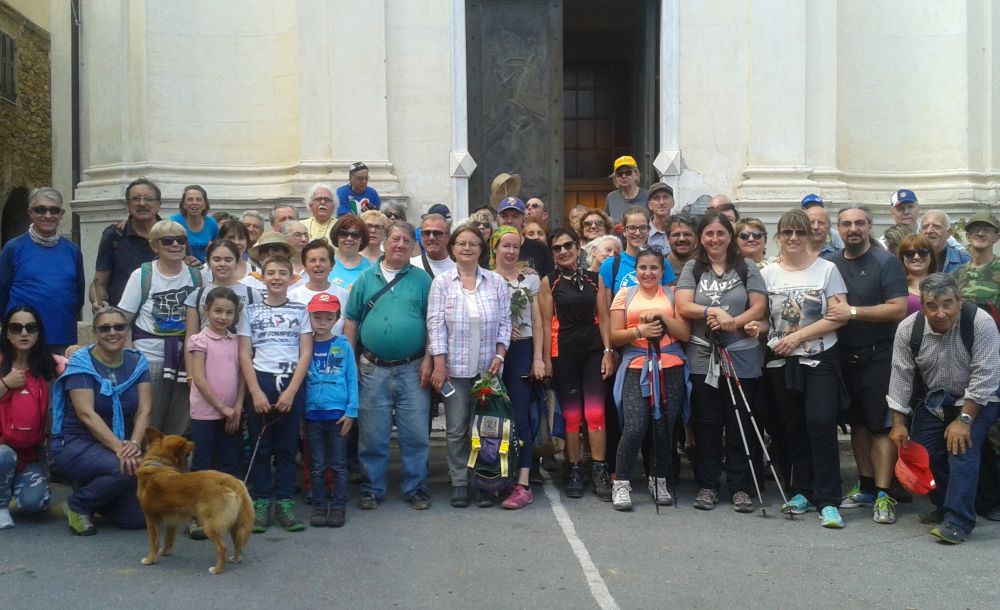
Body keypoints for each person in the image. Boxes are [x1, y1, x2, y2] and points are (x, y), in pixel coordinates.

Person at [887, 273, 1000, 543]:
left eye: (948, 303)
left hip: (979, 399)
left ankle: (959, 521)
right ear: (922, 305)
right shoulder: (907, 329)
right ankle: (946, 505)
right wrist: (899, 422)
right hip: (935, 401)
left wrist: (964, 420)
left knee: (961, 449)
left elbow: (985, 377)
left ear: (959, 301)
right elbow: (900, 376)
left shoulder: (980, 323)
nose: (941, 313)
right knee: (924, 454)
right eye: (932, 306)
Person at [761, 209, 848, 528]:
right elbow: (763, 317)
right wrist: (749, 327)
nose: (793, 238)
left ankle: (829, 500)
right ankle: (803, 491)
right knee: (792, 426)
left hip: (820, 358)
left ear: (809, 235)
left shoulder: (827, 270)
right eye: (787, 232)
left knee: (821, 422)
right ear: (779, 237)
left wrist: (797, 337)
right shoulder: (768, 273)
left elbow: (840, 315)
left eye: (799, 232)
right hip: (781, 361)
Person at [675, 212, 767, 512]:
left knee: (739, 421)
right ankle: (708, 484)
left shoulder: (746, 266)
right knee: (708, 422)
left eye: (721, 233)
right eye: (709, 234)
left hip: (742, 354)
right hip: (703, 356)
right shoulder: (693, 267)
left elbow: (759, 306)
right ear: (701, 238)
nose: (715, 239)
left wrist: (734, 321)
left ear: (730, 236)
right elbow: (684, 304)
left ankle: (740, 486)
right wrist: (711, 314)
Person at [825, 205, 909, 524]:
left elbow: (897, 308)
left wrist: (854, 313)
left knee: (880, 426)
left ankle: (885, 495)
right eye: (846, 224)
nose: (853, 229)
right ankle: (866, 486)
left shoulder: (885, 262)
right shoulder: (830, 263)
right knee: (857, 425)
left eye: (859, 223)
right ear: (839, 229)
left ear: (870, 227)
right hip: (844, 356)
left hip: (879, 356)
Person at [344, 222, 433, 511]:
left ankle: (415, 487)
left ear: (412, 246)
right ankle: (372, 488)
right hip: (372, 367)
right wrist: (349, 362)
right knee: (372, 434)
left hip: (413, 367)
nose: (400, 244)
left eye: (406, 240)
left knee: (416, 433)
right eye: (395, 238)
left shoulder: (422, 280)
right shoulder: (365, 279)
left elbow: (433, 325)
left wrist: (430, 361)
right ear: (384, 242)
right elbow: (351, 321)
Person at [428, 224, 511, 507]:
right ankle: (460, 482)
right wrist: (439, 365)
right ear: (452, 248)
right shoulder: (442, 283)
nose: (466, 248)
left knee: (488, 429)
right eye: (461, 243)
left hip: (488, 370)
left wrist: (500, 356)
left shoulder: (496, 282)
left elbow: (505, 323)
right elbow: (435, 325)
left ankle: (486, 482)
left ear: (481, 249)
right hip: (455, 370)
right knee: (456, 428)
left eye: (473, 243)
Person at [51, 307, 151, 535]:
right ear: (95, 333)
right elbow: (87, 414)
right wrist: (120, 449)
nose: (112, 332)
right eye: (105, 328)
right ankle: (78, 504)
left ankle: (94, 488)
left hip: (121, 443)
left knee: (136, 519)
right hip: (77, 442)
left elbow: (145, 410)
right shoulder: (81, 363)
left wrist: (134, 445)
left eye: (119, 326)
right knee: (125, 471)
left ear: (127, 331)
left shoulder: (137, 362)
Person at [609, 247, 691, 510]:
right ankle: (621, 483)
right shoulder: (625, 294)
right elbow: (613, 335)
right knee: (635, 425)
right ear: (636, 271)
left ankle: (659, 478)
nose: (648, 273)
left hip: (670, 364)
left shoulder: (673, 294)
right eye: (643, 268)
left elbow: (684, 334)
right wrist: (640, 331)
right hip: (637, 364)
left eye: (654, 268)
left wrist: (663, 317)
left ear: (662, 270)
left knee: (664, 426)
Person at [238, 255, 313, 533]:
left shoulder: (300, 309)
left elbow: (305, 352)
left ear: (292, 278)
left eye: (283, 272)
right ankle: (259, 502)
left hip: (291, 383)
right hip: (262, 381)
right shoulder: (250, 311)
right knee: (260, 446)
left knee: (286, 446)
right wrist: (255, 391)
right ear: (263, 277)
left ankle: (284, 501)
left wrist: (293, 390)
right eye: (271, 273)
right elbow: (245, 354)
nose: (277, 278)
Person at [539, 228, 613, 500]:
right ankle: (573, 469)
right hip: (564, 354)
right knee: (571, 415)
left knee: (595, 413)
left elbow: (604, 317)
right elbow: (546, 323)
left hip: (593, 351)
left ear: (579, 247)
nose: (563, 251)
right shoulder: (550, 281)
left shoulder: (596, 279)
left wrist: (608, 351)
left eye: (568, 245)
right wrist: (546, 360)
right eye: (557, 248)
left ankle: (599, 470)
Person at [118, 220, 202, 437]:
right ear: (155, 246)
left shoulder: (199, 275)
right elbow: (123, 320)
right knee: (149, 419)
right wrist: (131, 356)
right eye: (167, 241)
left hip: (186, 357)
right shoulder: (142, 275)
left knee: (181, 423)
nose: (175, 245)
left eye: (181, 240)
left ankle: (174, 468)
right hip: (149, 355)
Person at [490, 226, 546, 509]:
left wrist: (538, 357)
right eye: (505, 246)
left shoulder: (530, 280)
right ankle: (491, 476)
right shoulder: (484, 278)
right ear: (495, 248)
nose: (511, 251)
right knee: (491, 414)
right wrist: (499, 330)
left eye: (515, 246)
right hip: (491, 351)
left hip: (522, 349)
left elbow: (537, 321)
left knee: (520, 415)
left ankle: (522, 483)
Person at [184, 287, 244, 539]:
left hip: (232, 413)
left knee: (230, 463)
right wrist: (222, 409)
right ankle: (197, 516)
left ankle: (228, 513)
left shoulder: (237, 341)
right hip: (206, 413)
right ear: (206, 310)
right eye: (218, 311)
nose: (223, 317)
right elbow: (198, 378)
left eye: (229, 312)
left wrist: (238, 408)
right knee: (203, 464)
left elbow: (242, 376)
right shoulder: (199, 340)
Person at [0, 307, 65, 529]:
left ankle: (16, 488)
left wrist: (78, 352)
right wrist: (6, 383)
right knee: (3, 455)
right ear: (7, 333)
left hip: (31, 454)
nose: (24, 333)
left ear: (39, 333)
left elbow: (86, 365)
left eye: (31, 327)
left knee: (35, 504)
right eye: (16, 328)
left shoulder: (51, 364)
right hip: (1, 451)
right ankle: (0, 506)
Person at [0, 187, 84, 353]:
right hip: (23, 340)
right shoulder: (13, 248)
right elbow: (1, 291)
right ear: (30, 213)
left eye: (54, 210)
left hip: (62, 338)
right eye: (41, 210)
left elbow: (78, 296)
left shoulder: (73, 251)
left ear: (62, 214)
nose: (48, 215)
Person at [303, 292, 358, 528]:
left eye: (328, 318)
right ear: (310, 318)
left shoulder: (343, 345)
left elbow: (352, 379)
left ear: (336, 318)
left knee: (338, 464)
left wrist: (352, 411)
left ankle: (338, 505)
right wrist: (300, 416)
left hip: (338, 415)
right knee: (316, 465)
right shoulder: (305, 345)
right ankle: (318, 505)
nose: (322, 323)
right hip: (312, 414)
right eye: (317, 317)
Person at [91, 178, 163, 310]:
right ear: (127, 205)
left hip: (163, 322)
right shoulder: (114, 234)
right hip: (123, 322)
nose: (142, 203)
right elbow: (99, 282)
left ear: (159, 204)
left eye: (148, 199)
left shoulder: (173, 234)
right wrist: (99, 303)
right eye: (136, 199)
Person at [599, 207, 678, 308]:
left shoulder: (662, 262)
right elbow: (604, 313)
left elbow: (671, 303)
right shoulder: (610, 264)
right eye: (632, 228)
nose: (637, 233)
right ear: (624, 231)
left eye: (642, 228)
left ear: (648, 230)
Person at [288, 240, 349, 336]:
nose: (317, 264)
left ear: (332, 265)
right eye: (312, 260)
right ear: (305, 266)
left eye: (323, 260)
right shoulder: (294, 295)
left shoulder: (343, 294)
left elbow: (348, 328)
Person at [887, 189, 965, 253]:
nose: (906, 212)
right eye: (901, 208)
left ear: (918, 208)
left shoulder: (931, 231)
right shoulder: (886, 241)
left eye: (910, 207)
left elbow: (962, 252)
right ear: (892, 212)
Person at [497, 197, 554, 276]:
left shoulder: (540, 248)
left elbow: (550, 280)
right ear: (498, 219)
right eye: (504, 216)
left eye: (515, 216)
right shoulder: (489, 248)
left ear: (524, 220)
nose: (509, 221)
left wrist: (536, 277)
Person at [170, 185, 219, 263]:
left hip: (205, 268)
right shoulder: (174, 222)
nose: (194, 203)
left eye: (198, 200)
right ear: (184, 204)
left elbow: (218, 247)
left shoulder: (211, 223)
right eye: (190, 199)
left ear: (205, 205)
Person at [329, 215, 373, 292]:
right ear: (337, 236)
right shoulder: (325, 264)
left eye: (355, 235)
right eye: (344, 233)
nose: (349, 238)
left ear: (362, 239)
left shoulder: (372, 268)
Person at [898, 234, 938, 315]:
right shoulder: (894, 285)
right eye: (909, 253)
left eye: (923, 252)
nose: (916, 257)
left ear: (932, 257)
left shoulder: (944, 283)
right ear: (902, 258)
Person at [217, 219, 262, 288]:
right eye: (231, 237)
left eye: (241, 238)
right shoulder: (208, 269)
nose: (237, 242)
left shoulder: (256, 272)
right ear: (221, 240)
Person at [411, 213, 455, 279]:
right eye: (426, 233)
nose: (431, 238)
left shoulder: (459, 267)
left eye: (437, 233)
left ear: (448, 237)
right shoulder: (411, 266)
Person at [604, 156, 648, 221]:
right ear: (615, 177)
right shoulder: (611, 197)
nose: (624, 176)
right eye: (619, 174)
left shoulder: (647, 196)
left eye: (628, 173)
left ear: (636, 175)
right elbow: (605, 224)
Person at [280, 221, 311, 291]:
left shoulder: (314, 265)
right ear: (284, 238)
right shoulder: (277, 266)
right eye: (297, 235)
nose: (304, 239)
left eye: (306, 235)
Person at [647, 183, 675, 251]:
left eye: (665, 197)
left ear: (673, 203)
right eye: (657, 198)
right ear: (650, 205)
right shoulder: (643, 232)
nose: (661, 202)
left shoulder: (680, 231)